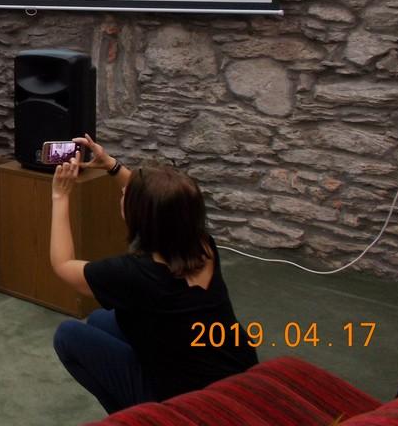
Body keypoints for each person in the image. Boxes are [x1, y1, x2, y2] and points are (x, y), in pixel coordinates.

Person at [50, 134, 257, 414]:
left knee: (68, 335)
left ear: (138, 215)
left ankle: (143, 418)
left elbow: (62, 265)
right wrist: (110, 165)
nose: (124, 191)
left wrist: (60, 195)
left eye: (127, 195)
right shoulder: (203, 245)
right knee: (100, 319)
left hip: (195, 405)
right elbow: (162, 202)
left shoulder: (134, 274)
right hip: (236, 376)